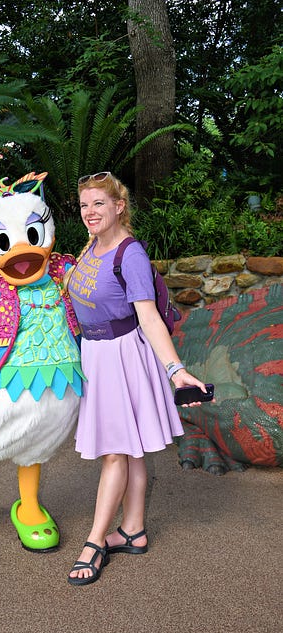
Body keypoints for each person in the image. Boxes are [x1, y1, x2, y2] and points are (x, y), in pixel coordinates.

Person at [65, 171, 211, 586]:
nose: (90, 212)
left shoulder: (129, 254)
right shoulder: (91, 246)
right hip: (97, 355)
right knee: (129, 452)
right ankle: (134, 530)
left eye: (98, 204)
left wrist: (175, 369)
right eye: (84, 205)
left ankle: (94, 542)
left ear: (118, 206)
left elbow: (147, 316)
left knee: (114, 452)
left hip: (123, 356)